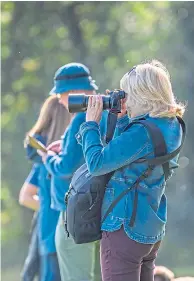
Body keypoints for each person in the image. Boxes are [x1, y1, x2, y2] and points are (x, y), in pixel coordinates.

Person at [76, 60, 185, 281]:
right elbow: (136, 157)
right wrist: (123, 118)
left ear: (142, 94)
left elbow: (97, 163)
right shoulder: (172, 124)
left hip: (123, 226)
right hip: (149, 227)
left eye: (129, 93)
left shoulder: (141, 133)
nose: (126, 98)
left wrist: (90, 124)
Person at [40, 62, 107, 281]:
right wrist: (64, 146)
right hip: (87, 208)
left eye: (60, 94)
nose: (59, 100)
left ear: (74, 91)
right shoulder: (100, 113)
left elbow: (66, 168)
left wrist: (48, 158)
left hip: (74, 212)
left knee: (76, 276)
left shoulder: (81, 116)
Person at [23, 95, 71, 281]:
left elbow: (25, 196)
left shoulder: (42, 158)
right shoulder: (65, 158)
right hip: (69, 230)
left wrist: (44, 206)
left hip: (48, 232)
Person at [19, 179, 40, 281]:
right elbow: (24, 197)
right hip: (43, 225)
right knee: (31, 266)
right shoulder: (40, 165)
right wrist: (48, 207)